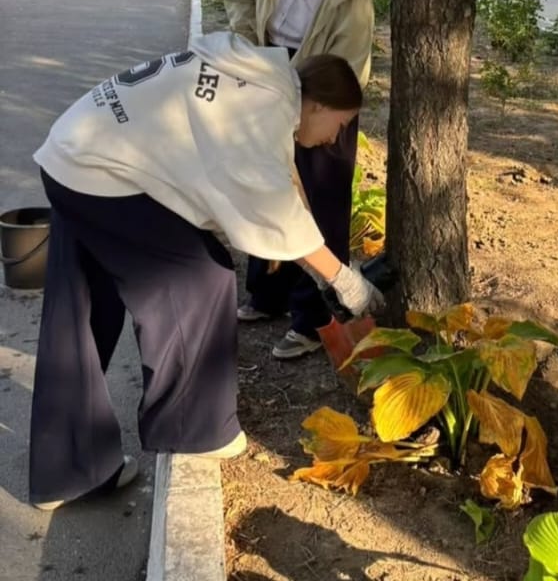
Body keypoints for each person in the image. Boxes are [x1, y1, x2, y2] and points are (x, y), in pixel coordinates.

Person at [29, 32, 381, 511]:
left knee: (81, 311)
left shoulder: (258, 77)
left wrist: (327, 270)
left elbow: (280, 196)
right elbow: (277, 212)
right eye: (338, 125)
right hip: (101, 173)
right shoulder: (266, 109)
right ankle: (192, 429)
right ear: (317, 105)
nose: (334, 138)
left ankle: (68, 471)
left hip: (75, 151)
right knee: (200, 282)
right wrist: (346, 281)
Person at [224, 0, 378, 360]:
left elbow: (346, 62)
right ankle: (265, 294)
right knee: (266, 182)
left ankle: (312, 318)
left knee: (320, 199)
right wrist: (257, 59)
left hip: (324, 90)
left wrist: (302, 98)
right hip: (265, 69)